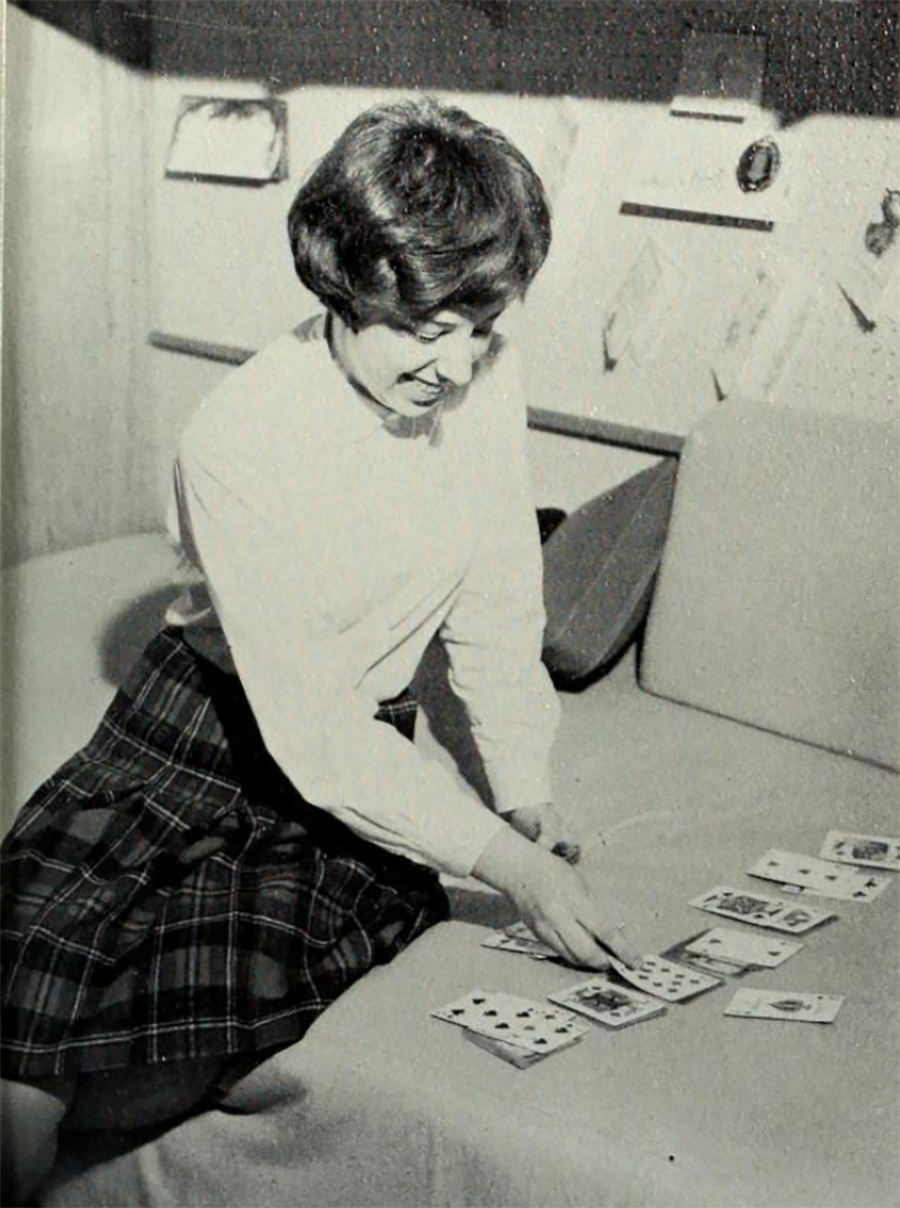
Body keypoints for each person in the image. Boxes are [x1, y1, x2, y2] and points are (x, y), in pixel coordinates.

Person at [0, 96, 640, 1204]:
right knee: (27, 1016)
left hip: (350, 760)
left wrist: (526, 795)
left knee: (166, 1038)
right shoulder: (238, 435)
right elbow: (310, 732)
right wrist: (505, 863)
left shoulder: (487, 378)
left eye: (479, 326)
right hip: (191, 735)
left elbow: (495, 596)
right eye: (424, 327)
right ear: (343, 284)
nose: (456, 364)